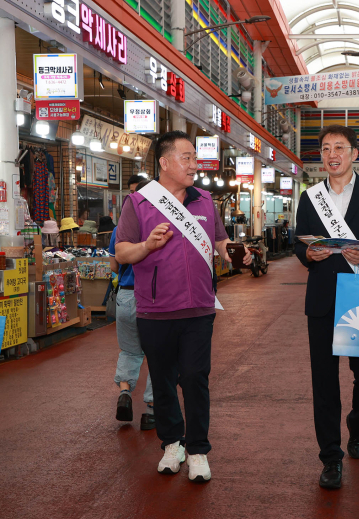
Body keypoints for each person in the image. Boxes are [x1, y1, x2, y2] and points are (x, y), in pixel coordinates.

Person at [115, 131, 251, 483]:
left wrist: (231, 250)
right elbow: (122, 253)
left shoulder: (205, 200)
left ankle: (198, 450)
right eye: (187, 157)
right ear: (164, 162)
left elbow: (219, 239)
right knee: (162, 380)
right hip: (154, 310)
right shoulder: (139, 202)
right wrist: (147, 245)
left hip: (199, 308)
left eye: (195, 157)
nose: (195, 164)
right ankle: (172, 443)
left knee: (194, 377)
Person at [294, 125, 359, 490]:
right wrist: (308, 253)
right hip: (322, 297)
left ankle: (357, 424)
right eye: (325, 149)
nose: (331, 154)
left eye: (339, 147)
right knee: (324, 382)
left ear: (354, 153)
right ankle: (331, 457)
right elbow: (297, 242)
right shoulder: (310, 197)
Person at [111, 175, 154, 430]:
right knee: (157, 354)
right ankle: (151, 410)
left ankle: (125, 393)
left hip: (126, 295)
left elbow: (114, 264)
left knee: (129, 350)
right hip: (152, 295)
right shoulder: (158, 224)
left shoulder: (120, 228)